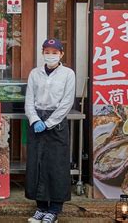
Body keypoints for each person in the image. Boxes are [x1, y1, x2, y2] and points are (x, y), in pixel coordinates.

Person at [24, 38, 76, 223]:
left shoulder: (68, 74)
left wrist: (50, 122)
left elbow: (67, 102)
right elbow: (29, 100)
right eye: (47, 51)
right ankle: (41, 207)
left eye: (55, 52)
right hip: (36, 121)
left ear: (61, 54)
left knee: (56, 165)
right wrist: (35, 119)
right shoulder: (35, 73)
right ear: (42, 53)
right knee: (36, 163)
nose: (50, 55)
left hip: (57, 124)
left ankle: (54, 209)